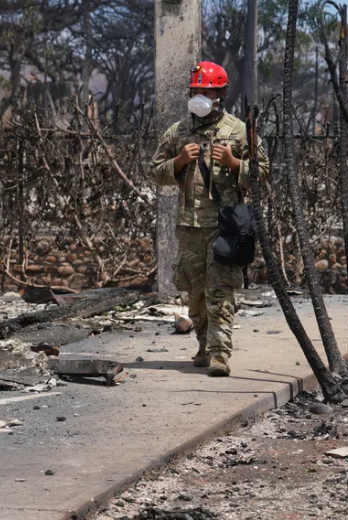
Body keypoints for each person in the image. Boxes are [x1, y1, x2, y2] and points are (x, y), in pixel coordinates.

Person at [151, 61, 269, 377]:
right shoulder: (177, 132)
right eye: (196, 91)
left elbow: (264, 175)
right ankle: (203, 347)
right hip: (189, 227)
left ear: (221, 95)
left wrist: (235, 163)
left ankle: (219, 354)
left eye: (208, 91)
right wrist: (178, 161)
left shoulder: (240, 131)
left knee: (220, 290)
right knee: (196, 293)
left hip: (225, 226)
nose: (200, 96)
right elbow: (156, 172)